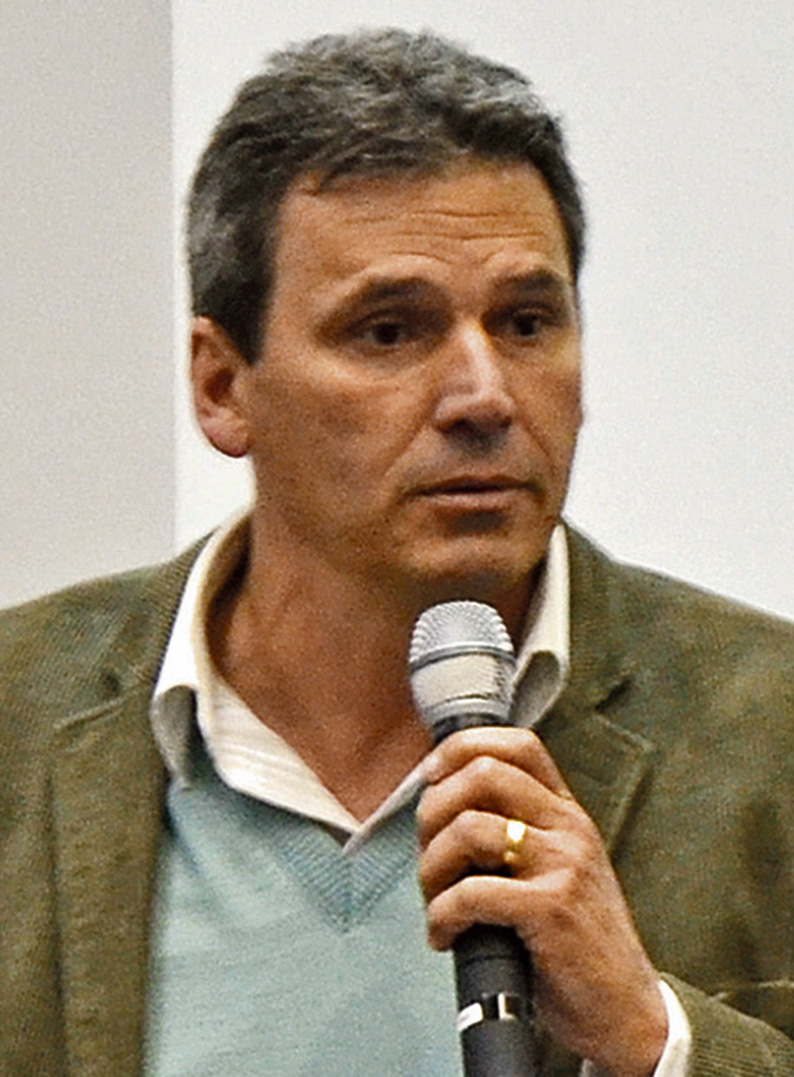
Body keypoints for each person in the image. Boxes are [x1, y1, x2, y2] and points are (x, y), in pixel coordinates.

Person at [1, 27, 793, 1077]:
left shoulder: (769, 732)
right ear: (221, 386)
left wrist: (659, 1042)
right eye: (388, 331)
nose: (484, 396)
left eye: (525, 322)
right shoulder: (20, 715)